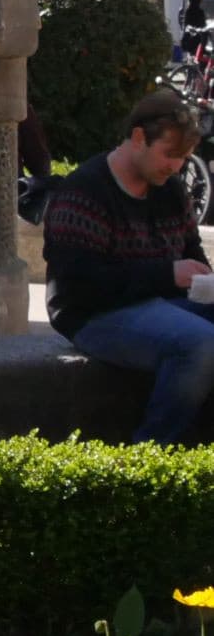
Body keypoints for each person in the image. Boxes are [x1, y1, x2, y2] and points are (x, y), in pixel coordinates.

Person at [44, 89, 214, 443]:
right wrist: (168, 274)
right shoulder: (84, 192)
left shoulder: (170, 189)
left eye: (184, 158)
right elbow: (78, 285)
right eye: (170, 154)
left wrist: (201, 277)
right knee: (200, 343)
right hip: (94, 314)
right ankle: (153, 451)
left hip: (161, 302)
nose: (176, 167)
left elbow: (191, 252)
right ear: (139, 138)